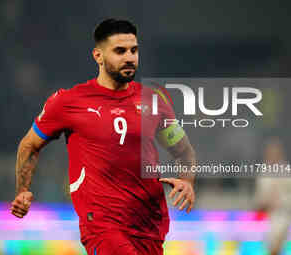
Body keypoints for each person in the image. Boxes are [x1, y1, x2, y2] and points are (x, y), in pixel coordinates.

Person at [10, 18, 196, 255]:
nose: (129, 57)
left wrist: (188, 181)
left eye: (134, 50)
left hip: (149, 225)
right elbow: (29, 145)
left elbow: (183, 151)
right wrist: (22, 190)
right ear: (98, 56)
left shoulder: (153, 101)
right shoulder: (68, 102)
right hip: (101, 224)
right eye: (120, 51)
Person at [254, 137, 291, 255]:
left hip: (282, 214)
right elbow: (260, 196)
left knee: (277, 243)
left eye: (275, 151)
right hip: (267, 215)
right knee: (269, 246)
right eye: (270, 152)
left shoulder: (285, 170)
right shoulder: (264, 171)